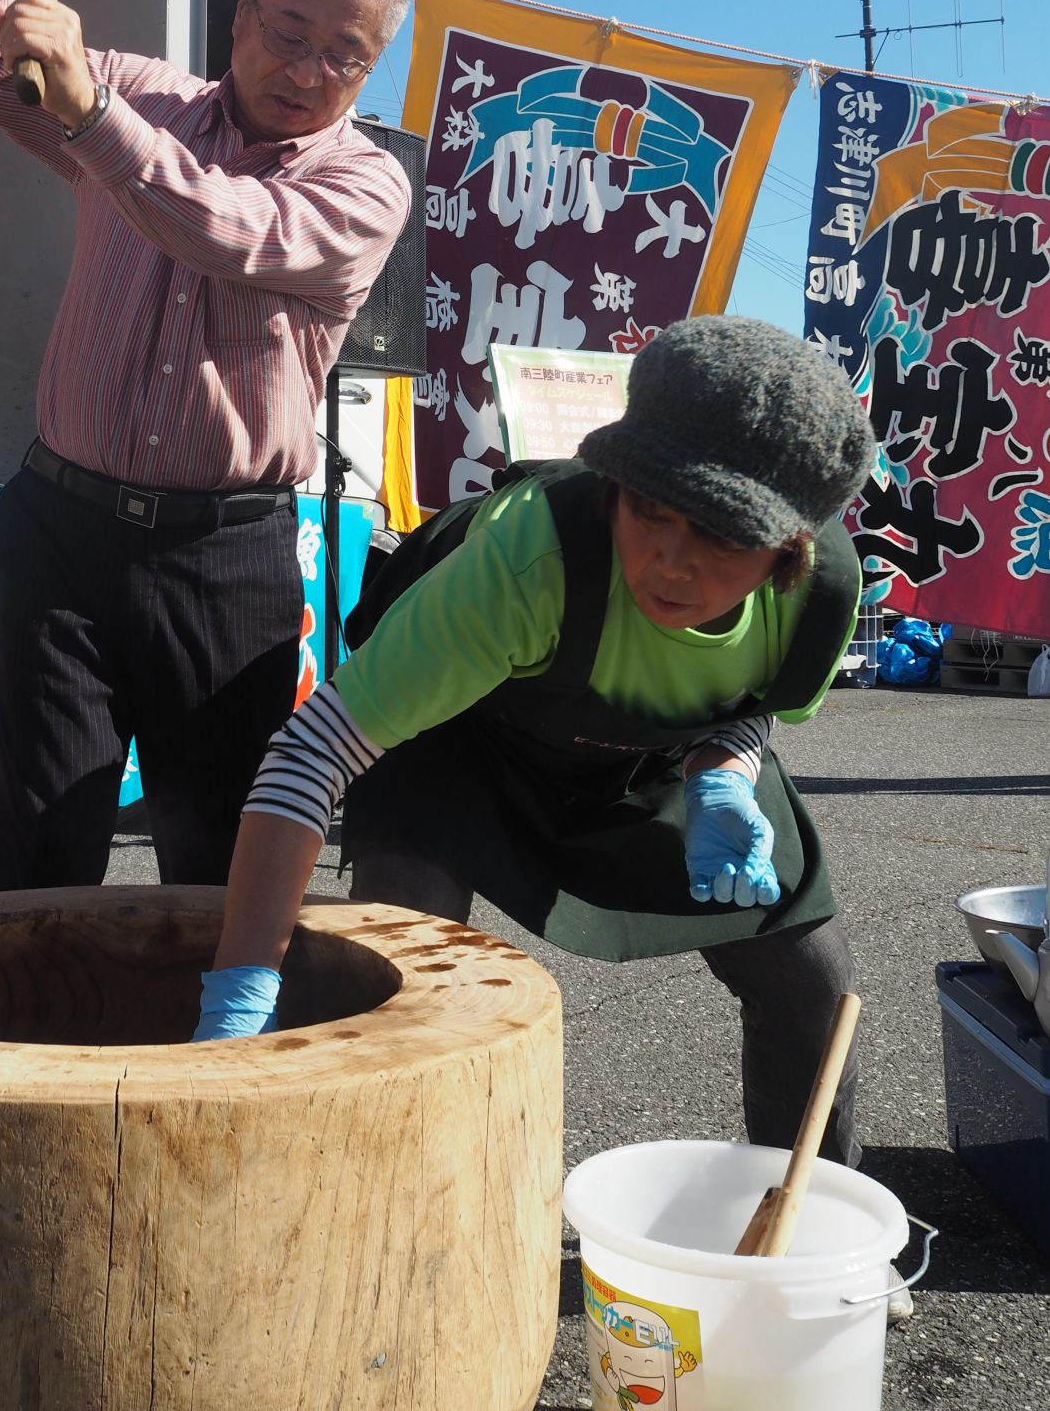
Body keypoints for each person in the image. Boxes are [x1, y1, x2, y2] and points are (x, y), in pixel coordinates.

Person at [195, 315, 875, 1175]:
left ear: (790, 547)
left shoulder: (817, 595)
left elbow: (747, 702)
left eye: (721, 536)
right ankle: (365, 1184)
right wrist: (244, 979)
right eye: (649, 510)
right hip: (462, 739)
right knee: (398, 954)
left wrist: (724, 779)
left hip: (655, 759)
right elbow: (310, 753)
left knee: (811, 977)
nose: (669, 562)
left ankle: (808, 1223)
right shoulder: (528, 563)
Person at [0, 0, 415, 893]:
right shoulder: (149, 96)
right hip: (61, 527)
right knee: (43, 840)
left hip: (221, 558)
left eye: (348, 53)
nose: (310, 69)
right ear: (243, 9)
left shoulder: (366, 181)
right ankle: (30, 1053)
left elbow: (233, 228)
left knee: (214, 861)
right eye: (290, 30)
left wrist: (91, 110)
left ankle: (210, 1055)